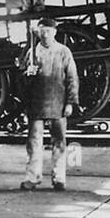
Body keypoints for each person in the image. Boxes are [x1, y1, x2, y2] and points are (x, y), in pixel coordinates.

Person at [19, 17, 79, 191]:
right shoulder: (32, 52)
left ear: (55, 32)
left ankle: (59, 178)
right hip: (36, 103)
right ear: (38, 32)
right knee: (33, 143)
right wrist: (27, 74)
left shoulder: (64, 51)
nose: (45, 34)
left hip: (58, 103)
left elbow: (72, 78)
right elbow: (21, 80)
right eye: (42, 31)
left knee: (59, 142)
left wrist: (70, 102)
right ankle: (32, 177)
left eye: (48, 31)